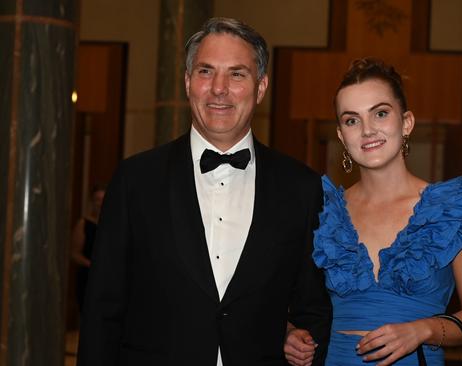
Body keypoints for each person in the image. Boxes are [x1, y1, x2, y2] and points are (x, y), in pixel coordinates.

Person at [77, 17, 331, 366]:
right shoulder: (135, 179)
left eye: (237, 74)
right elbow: (101, 310)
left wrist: (296, 338)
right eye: (206, 71)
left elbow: (314, 309)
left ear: (260, 87)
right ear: (187, 82)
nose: (219, 88)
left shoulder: (302, 186)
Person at [284, 58, 462, 365]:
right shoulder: (323, 211)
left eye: (381, 113)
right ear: (341, 136)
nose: (367, 130)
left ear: (406, 122)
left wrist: (424, 329)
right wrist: (291, 333)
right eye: (351, 120)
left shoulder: (454, 210)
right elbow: (287, 296)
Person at [70, 183, 106, 311]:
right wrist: (91, 265)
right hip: (88, 279)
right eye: (97, 199)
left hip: (108, 278)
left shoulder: (112, 225)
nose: (100, 203)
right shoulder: (83, 224)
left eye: (104, 199)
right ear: (92, 202)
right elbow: (74, 254)